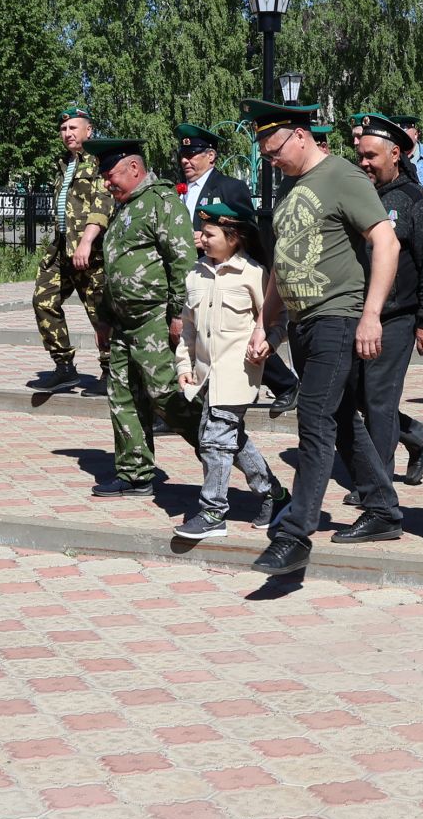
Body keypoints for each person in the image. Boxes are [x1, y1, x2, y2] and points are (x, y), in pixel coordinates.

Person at [245, 99, 401, 576]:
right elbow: (281, 267)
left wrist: (371, 314)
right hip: (302, 323)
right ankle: (382, 509)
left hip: (339, 317)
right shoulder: (293, 191)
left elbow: (386, 241)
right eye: (265, 154)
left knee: (314, 420)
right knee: (339, 416)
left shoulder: (342, 176)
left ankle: (294, 535)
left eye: (273, 150)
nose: (270, 161)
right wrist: (266, 323)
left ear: (299, 135)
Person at [85, 136, 204, 495]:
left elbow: (183, 263)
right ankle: (135, 474)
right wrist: (104, 317)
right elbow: (114, 268)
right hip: (123, 323)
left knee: (167, 396)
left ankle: (221, 448)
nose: (107, 182)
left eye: (111, 174)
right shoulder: (123, 207)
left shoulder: (162, 202)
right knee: (123, 396)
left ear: (134, 168)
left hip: (155, 319)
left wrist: (178, 315)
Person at [172, 202, 285, 539]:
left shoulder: (253, 274)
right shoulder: (196, 273)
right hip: (206, 375)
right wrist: (183, 365)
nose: (202, 239)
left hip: (238, 373)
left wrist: (269, 343)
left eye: (209, 234)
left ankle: (213, 511)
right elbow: (187, 329)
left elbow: (277, 320)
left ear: (233, 238)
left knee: (214, 441)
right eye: (202, 233)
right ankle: (273, 493)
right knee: (229, 439)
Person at [346, 114, 423, 495]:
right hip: (357, 314)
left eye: (372, 156)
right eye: (361, 157)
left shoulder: (415, 201)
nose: (365, 163)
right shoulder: (359, 195)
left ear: (396, 154)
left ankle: (376, 483)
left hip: (398, 317)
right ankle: (416, 435)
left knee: (379, 399)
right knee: (355, 394)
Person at [177, 121, 298, 409]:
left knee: (237, 334)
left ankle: (285, 384)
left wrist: (214, 241)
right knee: (198, 334)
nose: (186, 161)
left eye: (193, 155)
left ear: (211, 156)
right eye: (183, 156)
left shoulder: (230, 187)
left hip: (230, 273)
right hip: (196, 275)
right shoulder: (177, 191)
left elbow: (247, 230)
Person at [33, 106, 112, 393]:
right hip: (61, 250)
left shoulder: (100, 161)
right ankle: (64, 367)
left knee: (100, 313)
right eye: (64, 129)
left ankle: (110, 371)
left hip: (92, 253)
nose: (67, 134)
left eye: (73, 128)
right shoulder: (64, 163)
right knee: (43, 300)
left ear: (88, 131)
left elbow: (103, 204)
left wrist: (87, 241)